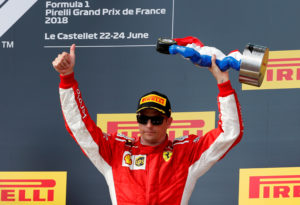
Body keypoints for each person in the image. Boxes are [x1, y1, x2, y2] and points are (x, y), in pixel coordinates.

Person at [52, 44, 243, 205]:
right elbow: (80, 127)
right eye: (143, 119)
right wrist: (67, 78)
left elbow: (229, 133)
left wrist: (223, 81)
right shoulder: (115, 152)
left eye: (157, 119)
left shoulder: (186, 154)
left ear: (169, 122)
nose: (149, 125)